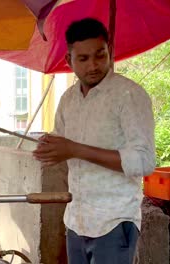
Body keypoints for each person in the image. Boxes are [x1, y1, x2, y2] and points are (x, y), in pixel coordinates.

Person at [32, 18, 156, 264]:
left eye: (100, 55)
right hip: (76, 219)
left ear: (109, 50)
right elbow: (61, 140)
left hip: (114, 221)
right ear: (69, 61)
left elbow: (144, 161)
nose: (94, 66)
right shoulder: (69, 99)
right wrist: (49, 147)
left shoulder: (129, 95)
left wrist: (75, 149)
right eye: (83, 59)